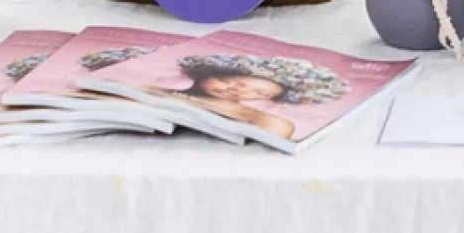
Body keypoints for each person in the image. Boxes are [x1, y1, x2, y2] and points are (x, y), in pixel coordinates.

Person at [144, 52, 350, 142]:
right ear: (208, 74)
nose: (238, 91)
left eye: (258, 93)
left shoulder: (266, 121)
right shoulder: (148, 90)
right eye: (229, 80)